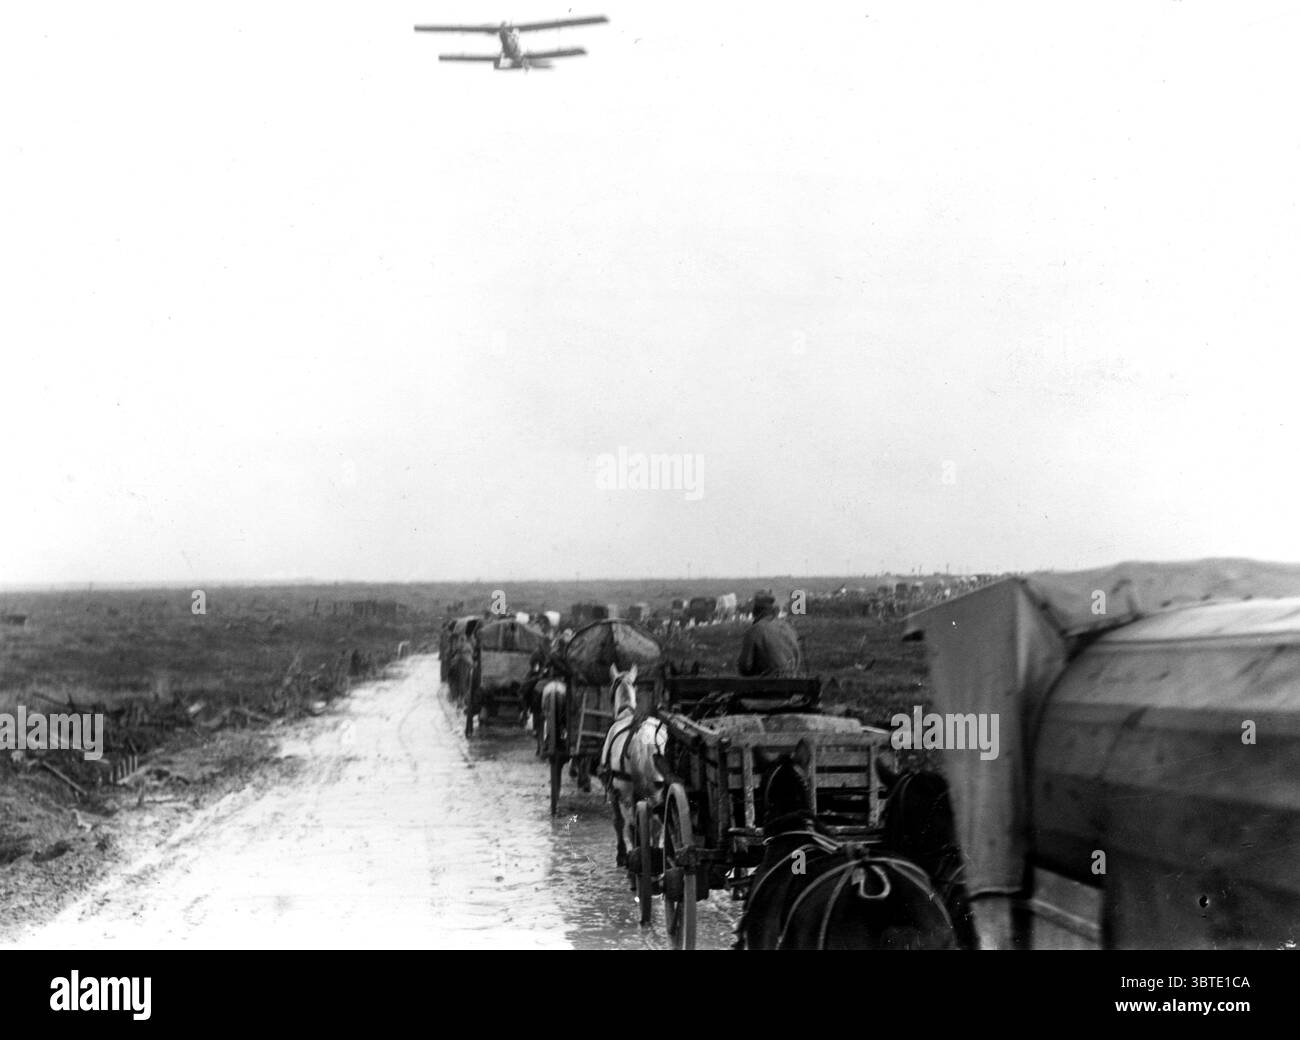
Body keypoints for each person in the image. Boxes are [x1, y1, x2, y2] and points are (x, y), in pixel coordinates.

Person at [738, 590, 803, 677]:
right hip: (793, 679)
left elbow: (744, 666)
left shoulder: (754, 630)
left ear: (755, 611)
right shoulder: (788, 627)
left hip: (768, 683)